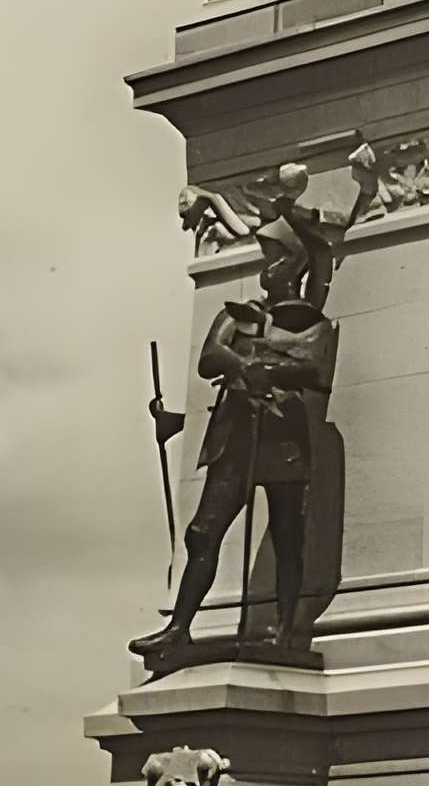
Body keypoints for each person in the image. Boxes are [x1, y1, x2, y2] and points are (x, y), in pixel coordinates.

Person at [131, 189, 338, 666]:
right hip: (237, 434)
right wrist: (251, 366)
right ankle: (179, 629)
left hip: (282, 436)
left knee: (287, 534)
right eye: (267, 256)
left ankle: (286, 630)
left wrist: (264, 364)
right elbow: (210, 357)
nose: (268, 267)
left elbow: (313, 368)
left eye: (277, 256)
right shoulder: (237, 314)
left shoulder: (311, 323)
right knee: (202, 532)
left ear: (295, 265)